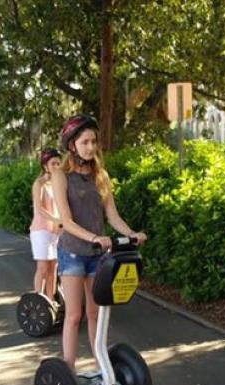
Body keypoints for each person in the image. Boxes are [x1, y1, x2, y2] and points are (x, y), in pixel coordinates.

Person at [52, 114, 147, 370]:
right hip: (72, 253)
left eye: (94, 141)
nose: (91, 147)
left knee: (96, 313)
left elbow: (112, 215)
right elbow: (66, 221)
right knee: (74, 315)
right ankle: (68, 370)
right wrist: (95, 238)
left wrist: (132, 234)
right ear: (72, 145)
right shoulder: (61, 176)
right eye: (85, 142)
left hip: (97, 255)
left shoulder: (100, 175)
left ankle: (100, 366)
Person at [29, 147, 62, 299]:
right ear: (45, 166)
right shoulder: (39, 183)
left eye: (58, 163)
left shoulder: (57, 185)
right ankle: (38, 301)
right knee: (42, 268)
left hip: (55, 231)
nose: (56, 166)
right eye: (53, 163)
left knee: (53, 268)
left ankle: (51, 302)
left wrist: (62, 224)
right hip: (41, 230)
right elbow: (39, 209)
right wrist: (58, 220)